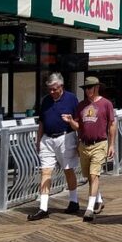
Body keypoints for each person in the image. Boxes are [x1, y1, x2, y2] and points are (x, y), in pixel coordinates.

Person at [62, 76, 116, 223]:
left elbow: (112, 124)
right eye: (85, 88)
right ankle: (99, 199)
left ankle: (90, 209)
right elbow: (79, 127)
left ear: (97, 87)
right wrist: (70, 121)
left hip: (100, 143)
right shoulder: (81, 105)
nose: (87, 90)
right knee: (89, 176)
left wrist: (111, 145)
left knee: (94, 175)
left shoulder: (106, 104)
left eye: (90, 87)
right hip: (84, 145)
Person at [28, 73, 80, 221]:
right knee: (45, 172)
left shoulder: (71, 98)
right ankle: (43, 207)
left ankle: (74, 201)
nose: (51, 92)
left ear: (61, 87)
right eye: (49, 89)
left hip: (66, 137)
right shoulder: (45, 101)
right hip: (47, 138)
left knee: (68, 169)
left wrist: (79, 139)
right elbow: (42, 122)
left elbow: (77, 121)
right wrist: (39, 140)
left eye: (54, 89)